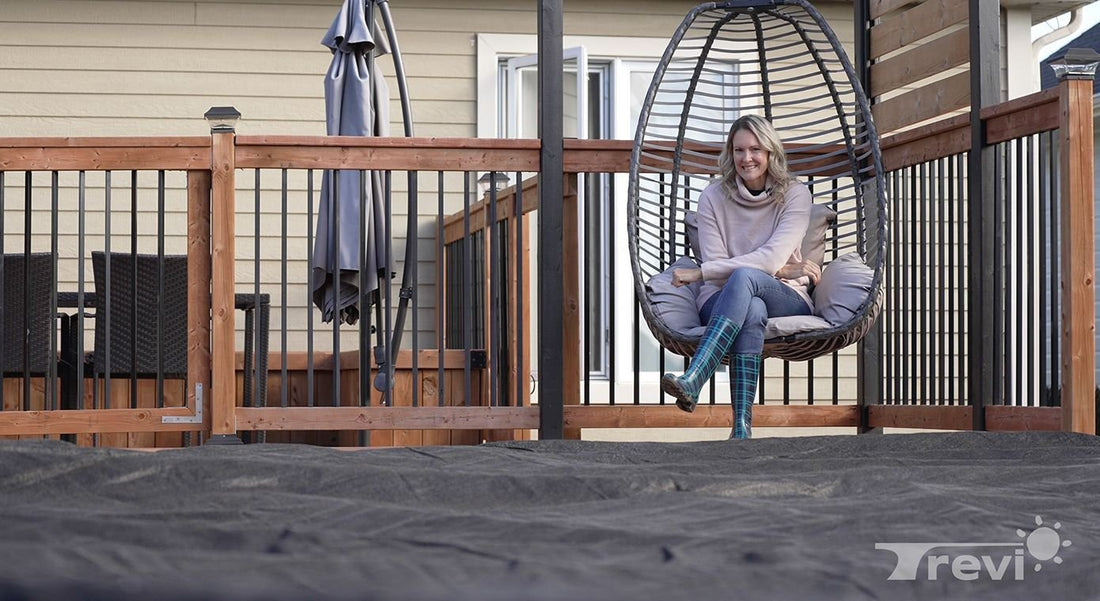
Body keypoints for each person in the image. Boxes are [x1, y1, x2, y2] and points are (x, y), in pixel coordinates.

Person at [660, 114, 820, 439]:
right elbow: (742, 264)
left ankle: (696, 376)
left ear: (771, 153)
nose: (747, 158)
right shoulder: (713, 197)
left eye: (755, 149)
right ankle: (742, 428)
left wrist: (701, 271)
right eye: (739, 150)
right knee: (753, 306)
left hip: (786, 297)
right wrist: (781, 268)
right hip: (721, 298)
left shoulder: (795, 195)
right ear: (730, 154)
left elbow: (769, 258)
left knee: (747, 278)